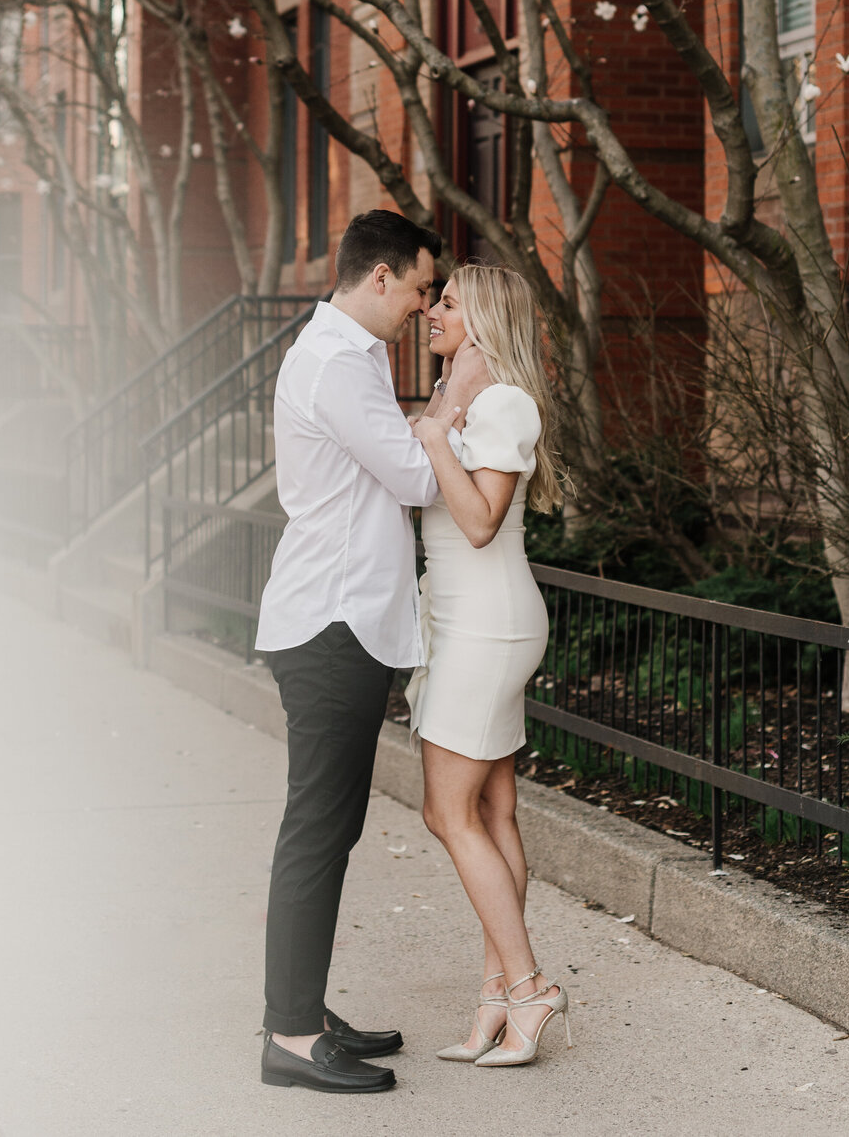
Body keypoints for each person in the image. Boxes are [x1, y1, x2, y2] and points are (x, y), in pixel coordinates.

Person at [255, 211, 489, 1094]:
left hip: (337, 622)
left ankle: (302, 1012)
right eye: (423, 287)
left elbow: (402, 460)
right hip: (331, 625)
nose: (425, 307)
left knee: (329, 827)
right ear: (381, 277)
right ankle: (288, 1033)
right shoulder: (335, 365)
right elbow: (421, 475)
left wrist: (434, 412)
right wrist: (459, 390)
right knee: (317, 830)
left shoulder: (346, 359)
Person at [408, 262, 572, 1068]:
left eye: (446, 303)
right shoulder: (454, 398)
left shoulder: (502, 402)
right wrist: (438, 416)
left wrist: (435, 435)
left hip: (489, 626)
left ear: (482, 319)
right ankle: (496, 1005)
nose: (430, 312)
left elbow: (479, 523)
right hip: (463, 623)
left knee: (448, 813)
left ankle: (530, 986)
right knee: (495, 812)